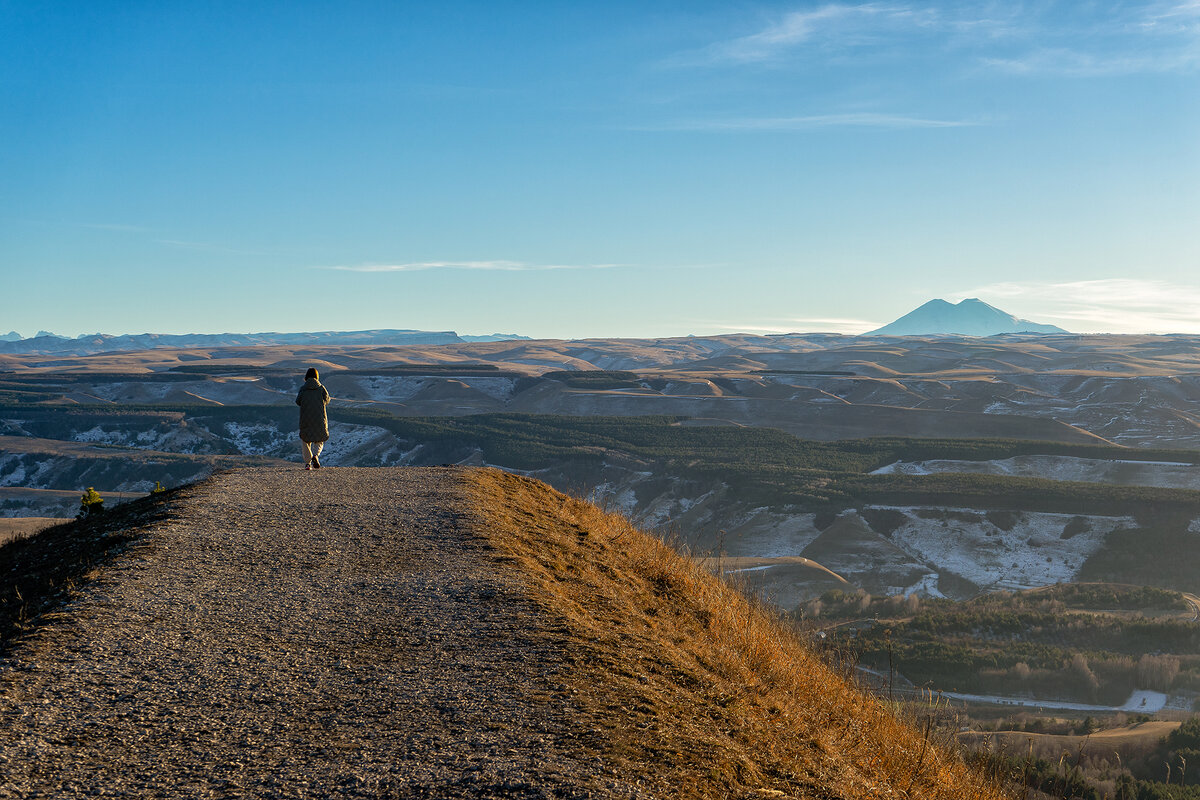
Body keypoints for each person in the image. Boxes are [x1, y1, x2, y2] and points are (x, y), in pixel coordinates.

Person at [296, 367, 330, 469]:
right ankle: (315, 455)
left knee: (305, 440)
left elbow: (298, 402)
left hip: (306, 418)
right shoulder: (321, 388)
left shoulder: (303, 389)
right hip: (319, 418)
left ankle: (307, 463)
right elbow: (327, 400)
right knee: (320, 438)